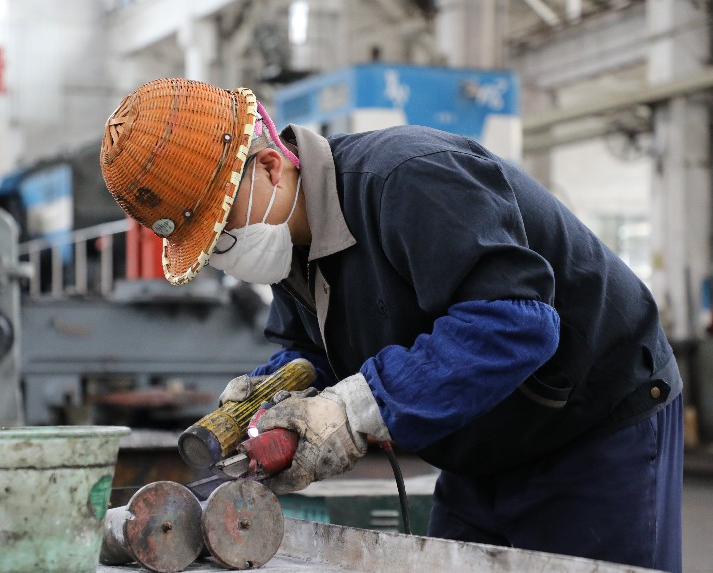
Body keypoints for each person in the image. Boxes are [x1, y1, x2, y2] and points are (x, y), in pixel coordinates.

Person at [100, 78, 683, 572]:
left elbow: (515, 324)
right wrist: (271, 397)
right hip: (478, 439)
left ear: (272, 167)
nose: (226, 256)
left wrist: (353, 413)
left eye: (222, 233)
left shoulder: (408, 178)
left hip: (593, 429)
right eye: (209, 250)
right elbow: (318, 352)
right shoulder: (290, 247)